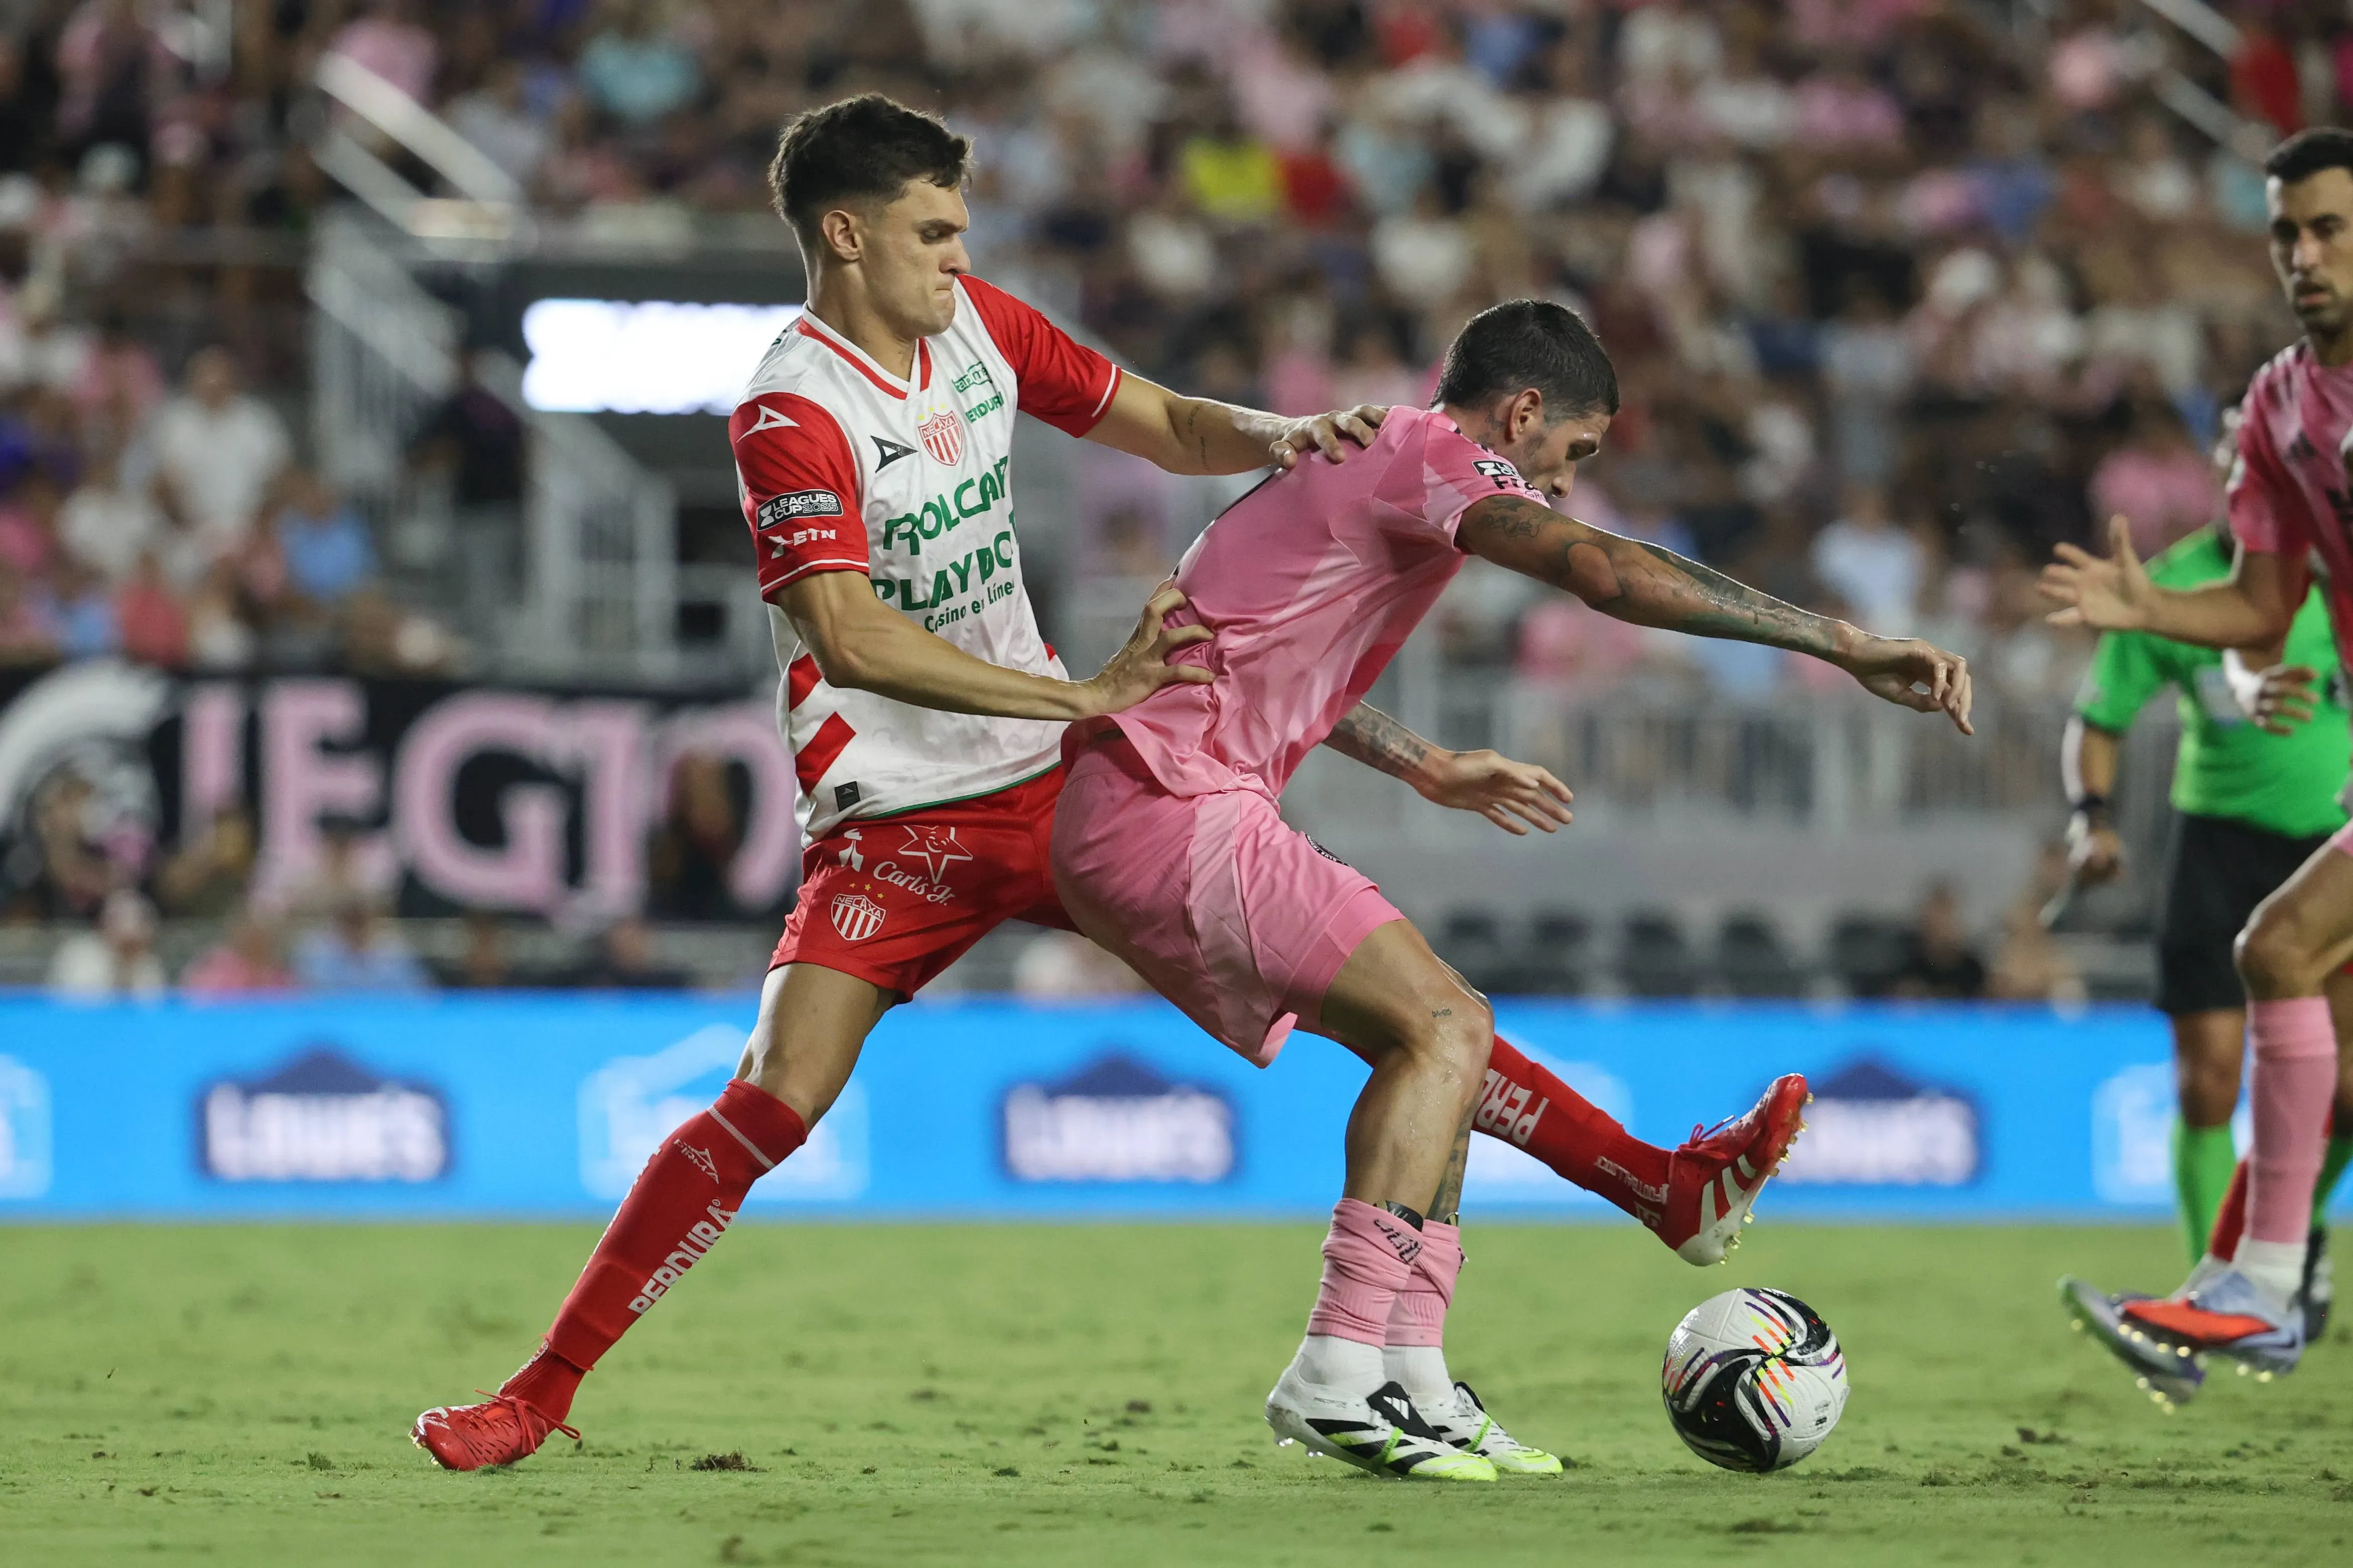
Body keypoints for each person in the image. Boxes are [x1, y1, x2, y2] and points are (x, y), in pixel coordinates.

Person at [410, 94, 1796, 1476]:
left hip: (1071, 784)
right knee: (775, 1095)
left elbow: (1164, 421)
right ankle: (539, 1390)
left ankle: (1640, 1193)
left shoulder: (981, 328)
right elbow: (848, 633)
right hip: (894, 812)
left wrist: (1290, 437)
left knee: (1408, 1011)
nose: (959, 256)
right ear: (844, 235)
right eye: (931, 231)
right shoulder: (791, 406)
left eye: (961, 230)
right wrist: (1080, 692)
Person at [1048, 298, 1971, 1481]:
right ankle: (1335, 1368)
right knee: (1448, 1025)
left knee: (1440, 1043)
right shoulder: (1436, 454)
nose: (1566, 485)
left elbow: (1259, 656)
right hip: (1163, 797)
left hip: (1154, 795)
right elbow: (1601, 572)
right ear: (1523, 411)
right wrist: (1842, 642)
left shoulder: (1366, 468)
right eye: (1571, 454)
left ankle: (1414, 1375)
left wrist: (1426, 761)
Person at [2040, 126, 2353, 1383]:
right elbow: (2262, 603)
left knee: (2279, 950)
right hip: (2242, 821)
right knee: (2278, 958)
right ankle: (2260, 1284)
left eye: (2330, 227)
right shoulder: (2282, 403)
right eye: (2286, 231)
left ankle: (2262, 1284)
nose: (2304, 254)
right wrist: (2152, 609)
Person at [2059, 494, 2353, 1299]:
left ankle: (2283, 1230)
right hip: (2218, 847)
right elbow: (2099, 716)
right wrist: (2092, 820)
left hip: (2333, 848)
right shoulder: (2171, 582)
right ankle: (2217, 1277)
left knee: (2351, 1092)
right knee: (2210, 1080)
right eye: (2238, 460)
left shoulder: (2336, 567)